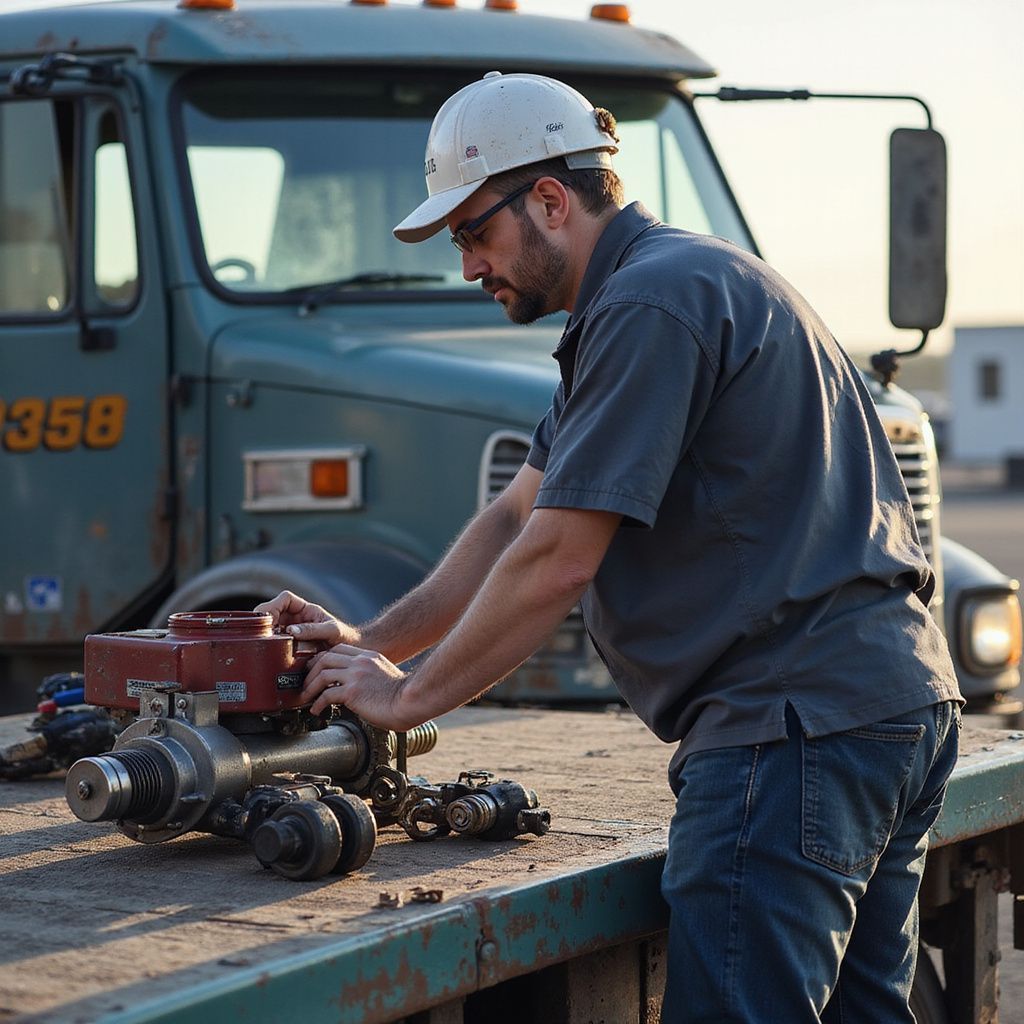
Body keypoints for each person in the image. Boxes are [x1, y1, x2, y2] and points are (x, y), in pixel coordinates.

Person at [256, 72, 963, 1022]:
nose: (468, 266)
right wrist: (375, 642)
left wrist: (405, 700)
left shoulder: (649, 306)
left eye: (473, 232)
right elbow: (517, 519)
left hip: (789, 731)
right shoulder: (666, 285)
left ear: (549, 198)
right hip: (888, 708)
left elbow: (559, 561)